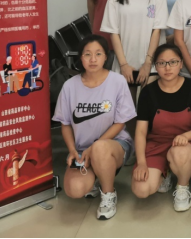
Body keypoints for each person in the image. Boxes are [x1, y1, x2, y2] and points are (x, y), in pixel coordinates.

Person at [54, 35, 137, 220]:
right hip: (81, 149)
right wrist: (72, 150)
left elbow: (120, 122)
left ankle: (108, 194)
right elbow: (65, 124)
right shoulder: (69, 86)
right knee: (75, 189)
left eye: (98, 54)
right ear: (80, 57)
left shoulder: (117, 81)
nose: (93, 59)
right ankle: (94, 177)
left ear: (105, 57)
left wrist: (94, 147)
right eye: (87, 54)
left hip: (114, 145)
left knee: (99, 148)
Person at [131, 44, 191, 212]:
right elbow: (141, 132)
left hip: (185, 146)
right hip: (156, 145)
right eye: (161, 63)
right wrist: (141, 162)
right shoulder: (147, 92)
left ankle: (182, 187)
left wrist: (186, 136)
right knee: (141, 189)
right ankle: (166, 173)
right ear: (155, 66)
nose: (167, 68)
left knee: (179, 153)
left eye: (173, 62)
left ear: (181, 64)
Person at [100, 0, 168, 87]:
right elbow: (113, 32)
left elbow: (157, 30)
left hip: (152, 64)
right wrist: (123, 64)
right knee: (125, 101)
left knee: (147, 99)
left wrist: (148, 63)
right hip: (124, 63)